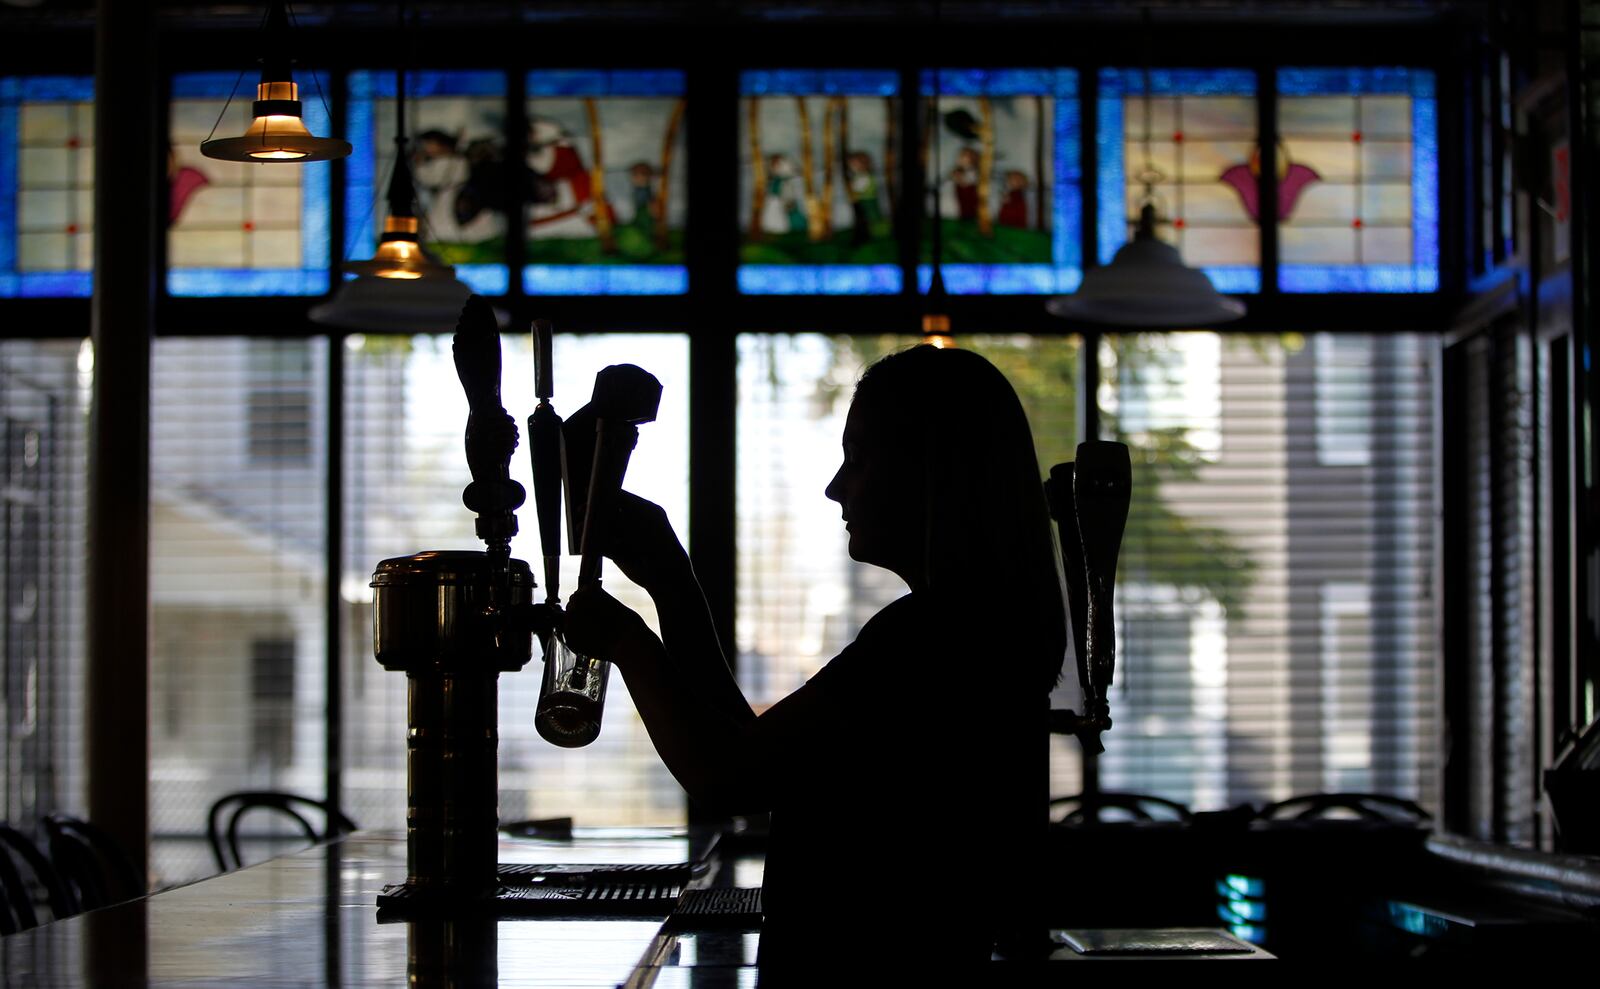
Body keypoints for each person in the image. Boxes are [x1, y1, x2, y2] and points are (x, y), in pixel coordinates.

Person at [565, 345, 1064, 971]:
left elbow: (726, 778)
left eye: (855, 461)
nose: (834, 488)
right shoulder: (975, 626)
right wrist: (673, 585)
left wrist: (626, 641)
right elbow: (754, 759)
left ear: (927, 471)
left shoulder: (929, 638)